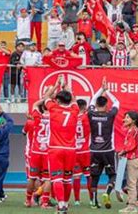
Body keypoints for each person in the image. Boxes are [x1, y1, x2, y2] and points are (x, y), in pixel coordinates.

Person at [44, 83, 79, 213]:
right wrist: (68, 89)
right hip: (70, 149)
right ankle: (65, 204)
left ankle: (61, 205)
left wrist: (57, 85)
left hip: (55, 148)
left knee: (57, 178)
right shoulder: (74, 110)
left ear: (57, 100)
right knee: (67, 178)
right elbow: (74, 100)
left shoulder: (53, 108)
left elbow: (46, 96)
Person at [88, 77, 120, 209]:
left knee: (94, 176)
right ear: (106, 105)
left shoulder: (90, 113)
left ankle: (94, 202)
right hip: (108, 151)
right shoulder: (110, 114)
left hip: (94, 150)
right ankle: (107, 192)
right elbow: (117, 102)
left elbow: (92, 99)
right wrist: (107, 91)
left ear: (96, 105)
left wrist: (101, 88)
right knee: (112, 175)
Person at [119, 111, 138, 213]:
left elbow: (131, 146)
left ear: (133, 120)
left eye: (127, 117)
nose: (125, 119)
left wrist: (122, 152)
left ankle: (131, 206)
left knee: (131, 184)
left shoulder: (132, 130)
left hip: (134, 159)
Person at [71, 99, 91, 206]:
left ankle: (77, 200)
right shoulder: (86, 117)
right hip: (85, 150)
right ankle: (92, 200)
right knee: (89, 176)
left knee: (76, 177)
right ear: (84, 107)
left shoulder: (71, 117)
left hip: (75, 151)